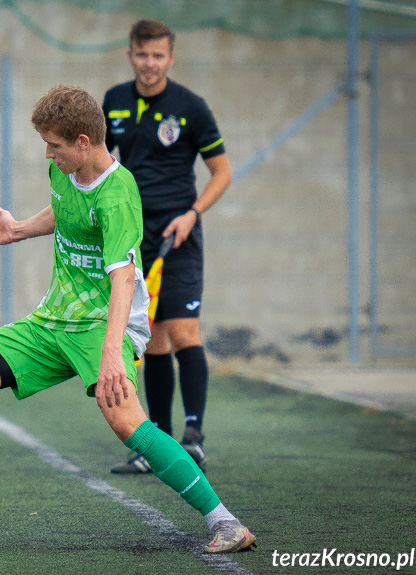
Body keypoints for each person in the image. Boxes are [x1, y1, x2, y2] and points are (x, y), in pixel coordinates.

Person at [0, 85, 255, 554]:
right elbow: (64, 212)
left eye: (54, 145)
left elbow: (123, 281)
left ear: (83, 141)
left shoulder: (119, 194)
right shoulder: (65, 171)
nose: (47, 153)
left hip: (105, 324)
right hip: (52, 321)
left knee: (127, 425)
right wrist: (19, 229)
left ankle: (226, 524)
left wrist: (112, 356)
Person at [103, 19, 232, 475]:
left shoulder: (191, 107)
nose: (149, 63)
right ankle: (154, 446)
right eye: (142, 54)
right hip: (134, 234)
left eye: (158, 55)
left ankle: (193, 436)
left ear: (170, 58)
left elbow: (222, 172)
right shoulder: (114, 102)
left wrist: (192, 213)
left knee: (182, 332)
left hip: (179, 234)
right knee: (151, 339)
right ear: (130, 54)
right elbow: (105, 164)